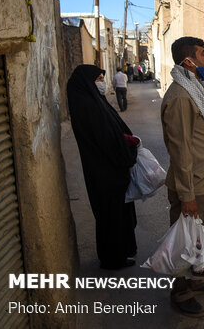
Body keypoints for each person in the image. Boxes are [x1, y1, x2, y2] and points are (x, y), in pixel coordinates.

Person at [160, 36, 204, 318]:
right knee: (186, 241)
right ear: (188, 60)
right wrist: (186, 195)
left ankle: (197, 279)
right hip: (191, 184)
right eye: (203, 54)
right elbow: (180, 149)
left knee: (202, 235)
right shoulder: (180, 96)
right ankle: (180, 290)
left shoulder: (196, 88)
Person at [67, 64, 138, 269]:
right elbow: (106, 139)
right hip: (105, 171)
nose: (102, 83)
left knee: (116, 213)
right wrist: (127, 152)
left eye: (101, 78)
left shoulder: (94, 101)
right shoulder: (88, 106)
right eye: (98, 79)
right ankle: (113, 259)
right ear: (88, 82)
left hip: (108, 169)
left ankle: (121, 252)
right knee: (111, 216)